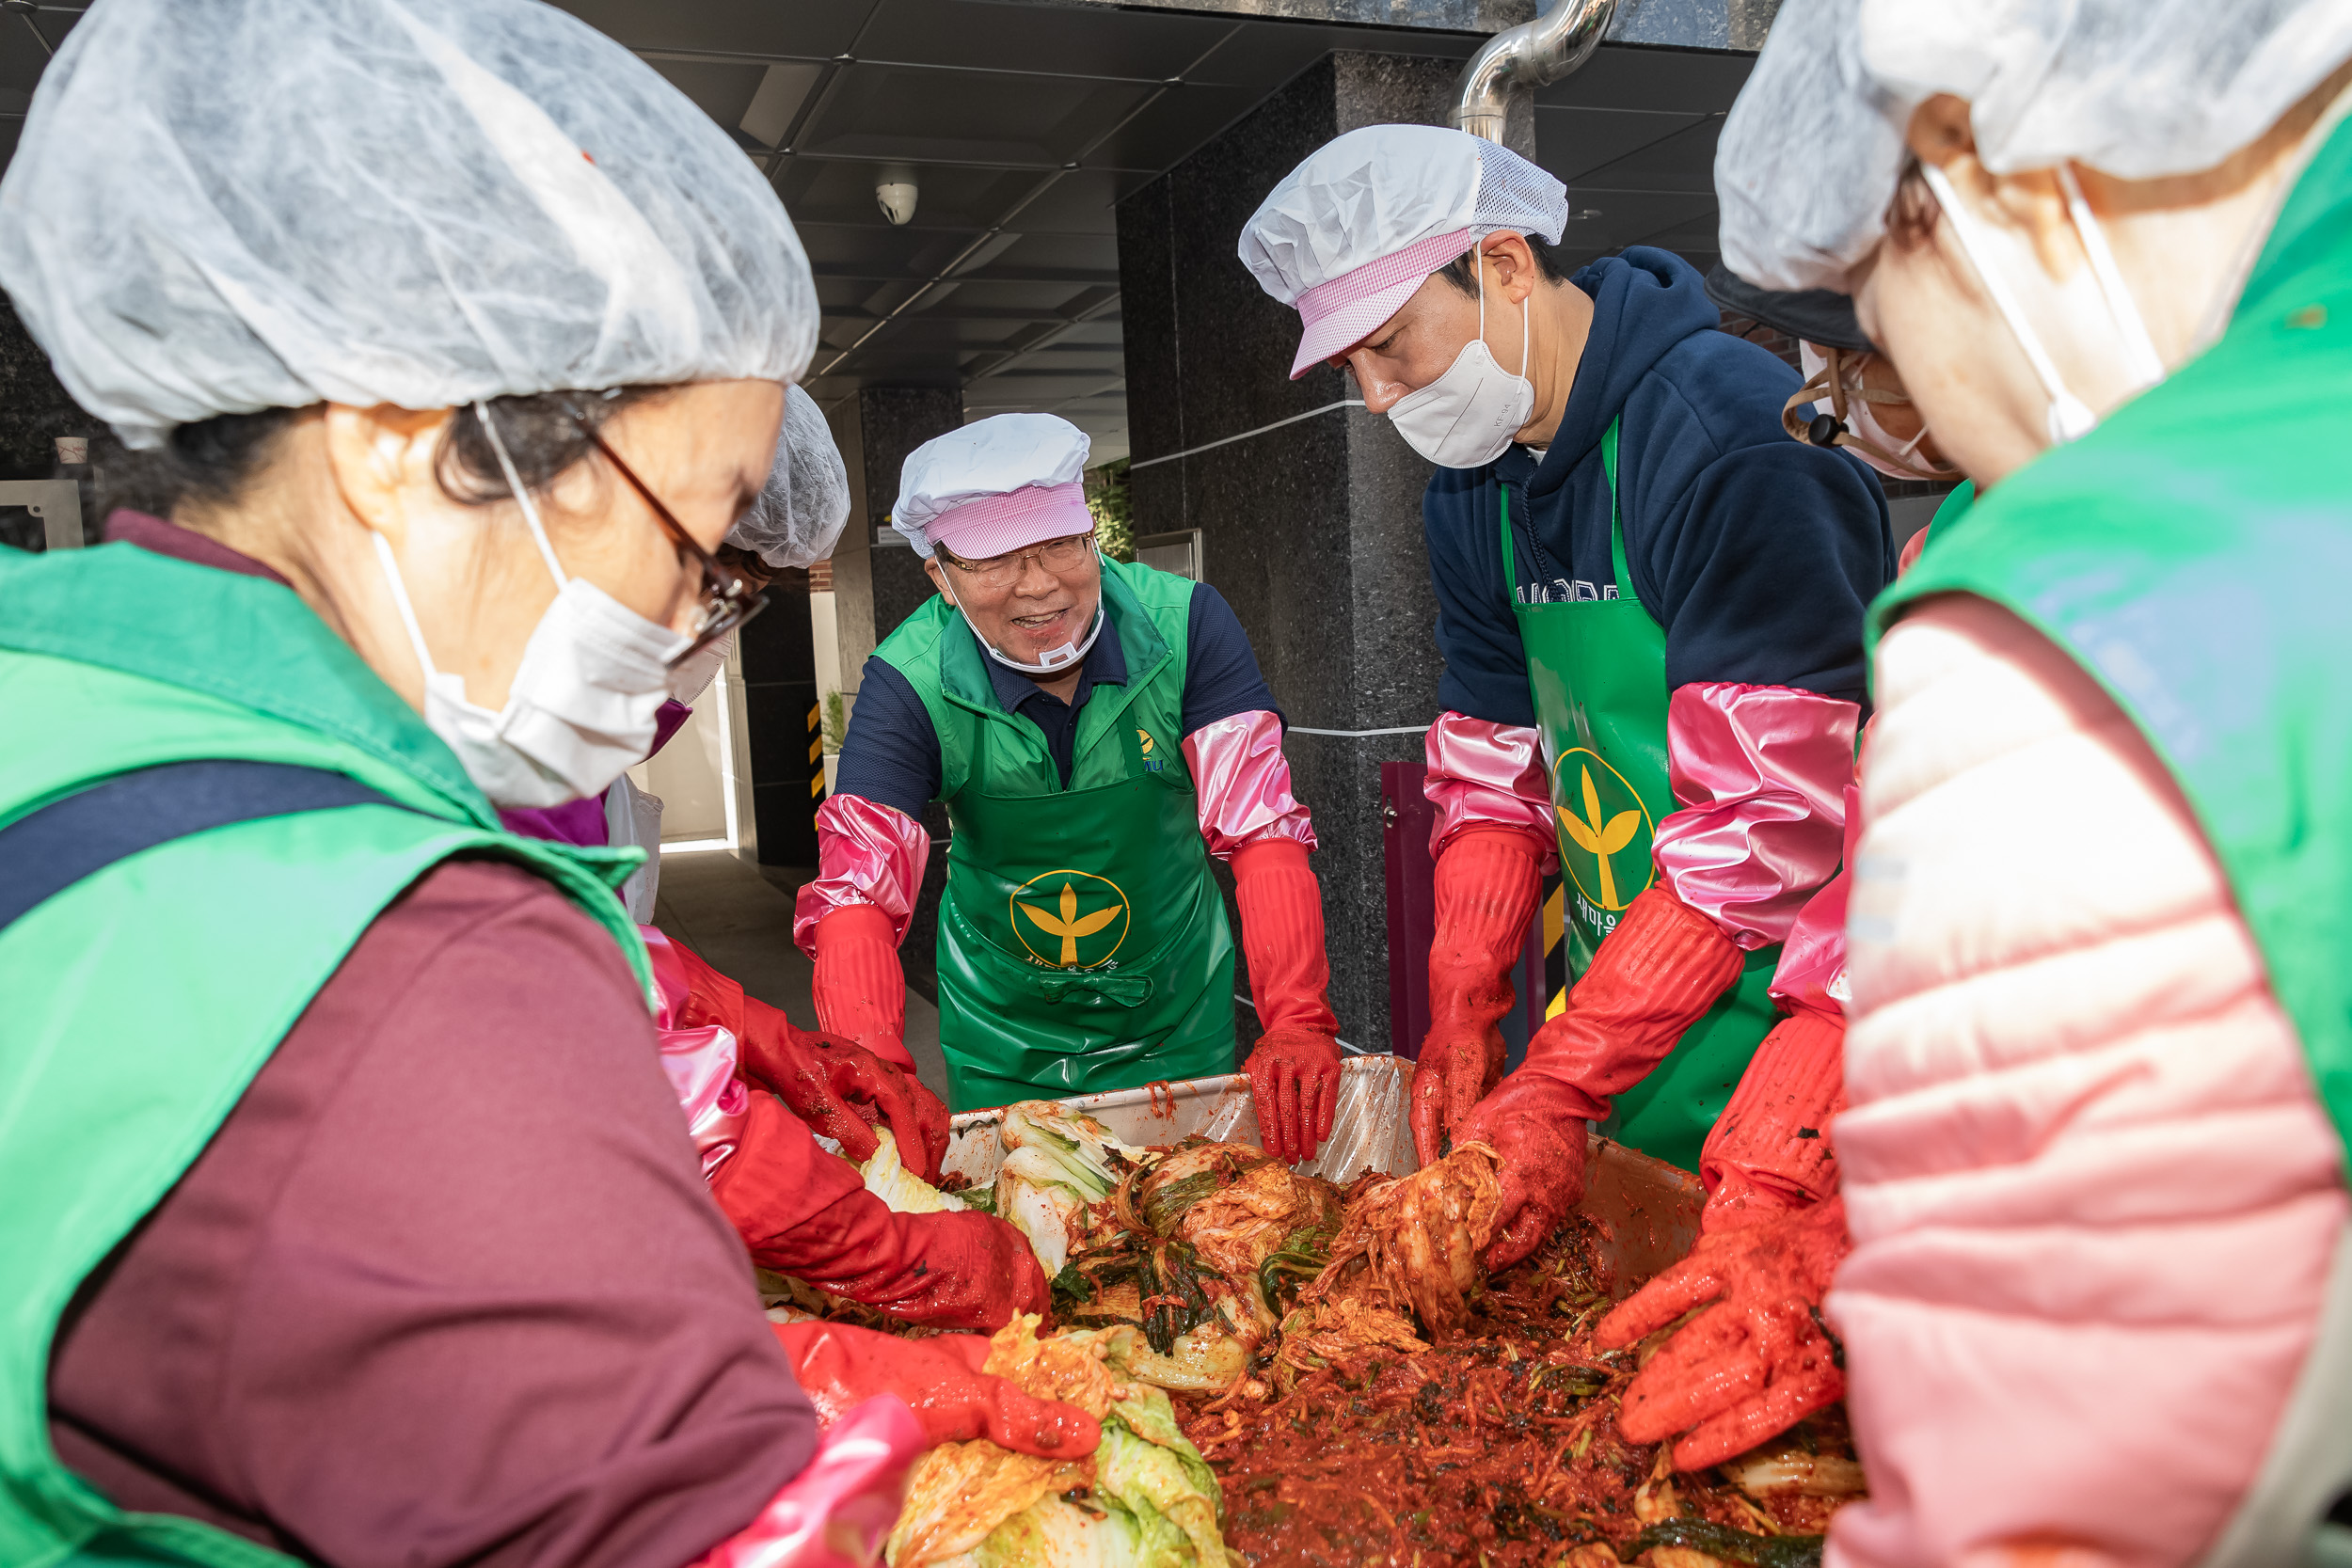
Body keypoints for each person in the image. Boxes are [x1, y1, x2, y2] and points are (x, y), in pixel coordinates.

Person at [0, 4, 1095, 1564]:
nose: (681, 625)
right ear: (399, 440)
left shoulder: (56, 699)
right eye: (693, 536)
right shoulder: (417, 957)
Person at [1685, 0, 2352, 1561]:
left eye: (1871, 312)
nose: (1890, 415)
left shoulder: (2080, 612)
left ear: (1982, 167)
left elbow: (2050, 1507)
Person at [1238, 125, 1895, 1259]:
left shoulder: (1729, 438)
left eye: (1393, 347)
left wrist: (1557, 1079)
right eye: (1353, 370)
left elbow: (1771, 819)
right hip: (1619, 1026)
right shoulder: (1472, 492)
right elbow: (1493, 772)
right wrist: (1464, 999)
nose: (1382, 400)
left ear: (1500, 269)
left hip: (1798, 1048)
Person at [501, 396, 1041, 1329]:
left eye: (737, 601)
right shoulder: (483, 732)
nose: (1036, 590)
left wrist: (766, 1033)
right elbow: (584, 1046)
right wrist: (885, 1246)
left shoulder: (567, 746)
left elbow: (604, 954)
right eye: (707, 583)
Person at [803, 413, 1344, 1156]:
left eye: (1060, 542)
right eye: (996, 559)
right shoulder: (910, 682)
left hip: (1176, 1016)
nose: (1040, 585)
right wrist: (869, 1064)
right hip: (1004, 1035)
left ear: (1092, 533)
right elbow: (858, 892)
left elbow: (1263, 832)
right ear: (941, 575)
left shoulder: (1187, 627)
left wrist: (1296, 1016)